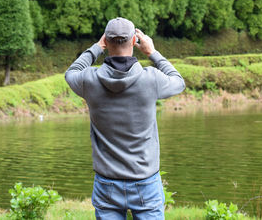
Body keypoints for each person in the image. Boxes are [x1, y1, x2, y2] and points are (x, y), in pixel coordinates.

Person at [65, 17, 185, 219]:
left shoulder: (89, 80)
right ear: (133, 42)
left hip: (107, 181)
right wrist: (152, 52)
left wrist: (96, 47)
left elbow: (71, 73)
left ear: (107, 42)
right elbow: (178, 82)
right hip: (145, 180)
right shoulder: (151, 79)